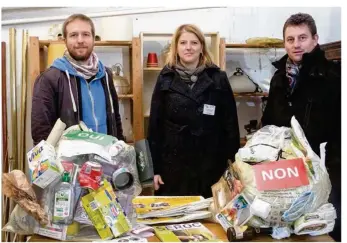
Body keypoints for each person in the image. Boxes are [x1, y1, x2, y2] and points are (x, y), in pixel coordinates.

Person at [261, 13, 341, 241]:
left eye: (302, 38)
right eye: (290, 39)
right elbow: (269, 122)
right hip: (287, 167)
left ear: (315, 39)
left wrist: (332, 168)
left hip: (322, 166)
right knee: (287, 227)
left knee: (324, 229)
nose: (296, 44)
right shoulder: (279, 78)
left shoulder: (333, 77)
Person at [147, 24, 240, 198]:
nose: (188, 47)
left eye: (194, 43)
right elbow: (155, 127)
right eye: (183, 43)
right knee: (177, 216)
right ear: (176, 47)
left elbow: (230, 125)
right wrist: (154, 169)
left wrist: (234, 168)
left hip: (211, 164)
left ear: (202, 47)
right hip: (173, 166)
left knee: (210, 218)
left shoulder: (217, 77)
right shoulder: (165, 78)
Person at [31, 14, 124, 144]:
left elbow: (115, 118)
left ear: (93, 39)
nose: (80, 40)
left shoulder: (105, 74)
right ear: (65, 40)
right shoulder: (50, 78)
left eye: (85, 34)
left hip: (106, 158)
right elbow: (40, 131)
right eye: (74, 35)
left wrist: (120, 148)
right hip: (69, 162)